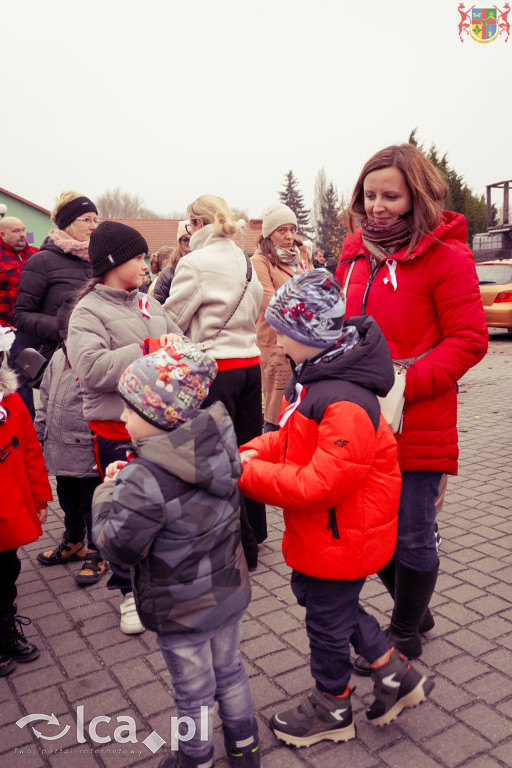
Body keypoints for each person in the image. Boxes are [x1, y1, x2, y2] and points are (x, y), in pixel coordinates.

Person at [238, 270, 434, 747]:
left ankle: (332, 706)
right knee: (321, 600)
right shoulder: (318, 379)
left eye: (284, 329)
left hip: (341, 532)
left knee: (326, 621)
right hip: (329, 533)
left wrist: (243, 474)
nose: (277, 338)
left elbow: (321, 482)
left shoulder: (342, 398)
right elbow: (291, 438)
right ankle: (393, 673)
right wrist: (252, 450)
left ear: (311, 334)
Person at [335, 144, 488, 667]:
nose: (376, 206)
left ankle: (404, 636)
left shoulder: (447, 256)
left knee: (412, 532)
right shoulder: (353, 254)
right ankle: (415, 609)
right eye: (369, 194)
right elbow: (342, 328)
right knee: (371, 530)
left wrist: (403, 382)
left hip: (420, 415)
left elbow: (469, 339)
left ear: (415, 198)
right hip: (359, 416)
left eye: (390, 196)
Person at [92, 341, 260, 768]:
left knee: (193, 692)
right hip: (227, 592)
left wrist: (109, 489)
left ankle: (196, 759)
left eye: (130, 408)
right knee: (231, 673)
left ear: (158, 416)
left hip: (180, 609)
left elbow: (118, 545)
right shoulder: (216, 446)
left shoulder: (144, 478)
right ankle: (245, 752)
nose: (122, 416)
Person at [67, 221, 183, 633]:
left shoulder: (148, 304)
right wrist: (149, 350)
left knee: (162, 511)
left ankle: (161, 583)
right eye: (138, 257)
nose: (145, 264)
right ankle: (128, 592)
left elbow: (178, 340)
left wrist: (178, 349)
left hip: (160, 428)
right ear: (114, 262)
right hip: (116, 431)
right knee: (125, 514)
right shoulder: (87, 312)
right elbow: (92, 369)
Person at [163, 196, 265, 568]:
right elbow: (255, 308)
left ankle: (237, 544)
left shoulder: (194, 263)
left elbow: (171, 319)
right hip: (250, 364)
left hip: (214, 368)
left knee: (213, 457)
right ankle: (256, 527)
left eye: (188, 226)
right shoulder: (246, 261)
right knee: (248, 450)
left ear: (195, 224)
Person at [35, 299, 106, 585]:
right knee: (67, 500)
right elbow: (45, 398)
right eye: (65, 337)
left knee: (93, 505)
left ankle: (99, 551)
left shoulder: (95, 359)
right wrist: (39, 433)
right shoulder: (56, 358)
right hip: (60, 450)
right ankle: (74, 540)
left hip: (87, 450)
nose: (69, 343)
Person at [0, 327, 52, 676]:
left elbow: (31, 451)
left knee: (7, 570)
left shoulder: (12, 402)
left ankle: (6, 627)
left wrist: (40, 496)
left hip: (8, 508)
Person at [13, 191, 98, 361]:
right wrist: (64, 329)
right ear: (68, 223)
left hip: (94, 353)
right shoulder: (42, 261)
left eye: (95, 220)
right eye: (86, 219)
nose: (93, 226)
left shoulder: (98, 259)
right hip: (56, 356)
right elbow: (22, 316)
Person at [252, 203, 313, 432]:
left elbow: (317, 293)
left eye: (292, 229)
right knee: (276, 414)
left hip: (305, 345)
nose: (289, 236)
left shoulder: (300, 259)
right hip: (276, 346)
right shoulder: (261, 262)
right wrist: (309, 307)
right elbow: (272, 303)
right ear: (269, 233)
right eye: (282, 230)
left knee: (301, 410)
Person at [0, 216, 39, 416]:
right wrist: (2, 325)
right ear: (2, 235)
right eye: (16, 231)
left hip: (37, 325)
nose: (22, 234)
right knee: (18, 376)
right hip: (9, 330)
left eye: (23, 229)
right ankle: (25, 421)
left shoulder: (37, 255)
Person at [153, 221, 192, 305]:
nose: (190, 244)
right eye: (185, 240)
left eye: (194, 239)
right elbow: (158, 309)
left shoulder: (209, 268)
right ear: (179, 243)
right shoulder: (168, 274)